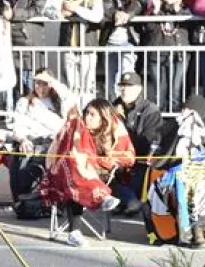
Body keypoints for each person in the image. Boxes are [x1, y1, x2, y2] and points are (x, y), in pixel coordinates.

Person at [38, 99, 134, 247]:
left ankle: (75, 231)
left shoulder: (116, 129)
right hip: (67, 173)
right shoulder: (78, 128)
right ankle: (76, 231)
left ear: (104, 118)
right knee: (74, 172)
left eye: (92, 114)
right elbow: (62, 148)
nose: (87, 117)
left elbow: (129, 157)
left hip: (102, 172)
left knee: (77, 175)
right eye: (86, 113)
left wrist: (109, 157)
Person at [112, 72, 163, 216]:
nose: (124, 89)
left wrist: (123, 124)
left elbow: (149, 141)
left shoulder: (150, 110)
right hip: (117, 158)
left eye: (129, 86)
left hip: (140, 160)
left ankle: (129, 200)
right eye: (122, 85)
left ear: (139, 89)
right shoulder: (112, 108)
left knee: (138, 176)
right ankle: (127, 200)